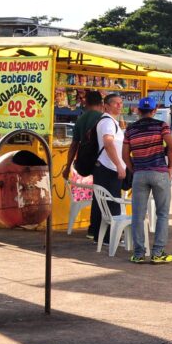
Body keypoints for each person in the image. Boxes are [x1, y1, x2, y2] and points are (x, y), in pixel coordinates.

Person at [123, 97, 172, 264]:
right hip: (159, 173)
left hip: (140, 174)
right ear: (154, 111)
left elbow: (125, 155)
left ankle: (138, 254)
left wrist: (134, 169)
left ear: (138, 111)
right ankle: (158, 253)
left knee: (138, 215)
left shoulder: (130, 130)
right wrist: (169, 168)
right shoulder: (161, 126)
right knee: (162, 214)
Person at [62, 90, 102, 237]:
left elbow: (74, 145)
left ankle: (93, 228)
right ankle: (97, 229)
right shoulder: (102, 117)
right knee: (103, 195)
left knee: (97, 194)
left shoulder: (81, 119)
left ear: (86, 103)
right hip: (101, 163)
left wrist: (68, 167)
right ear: (101, 103)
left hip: (84, 163)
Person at [91, 93, 127, 244]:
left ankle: (101, 236)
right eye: (115, 103)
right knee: (112, 203)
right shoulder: (107, 122)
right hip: (108, 168)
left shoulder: (112, 121)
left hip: (107, 167)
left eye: (120, 103)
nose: (119, 106)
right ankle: (110, 237)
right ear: (106, 105)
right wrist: (119, 165)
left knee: (105, 203)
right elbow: (108, 142)